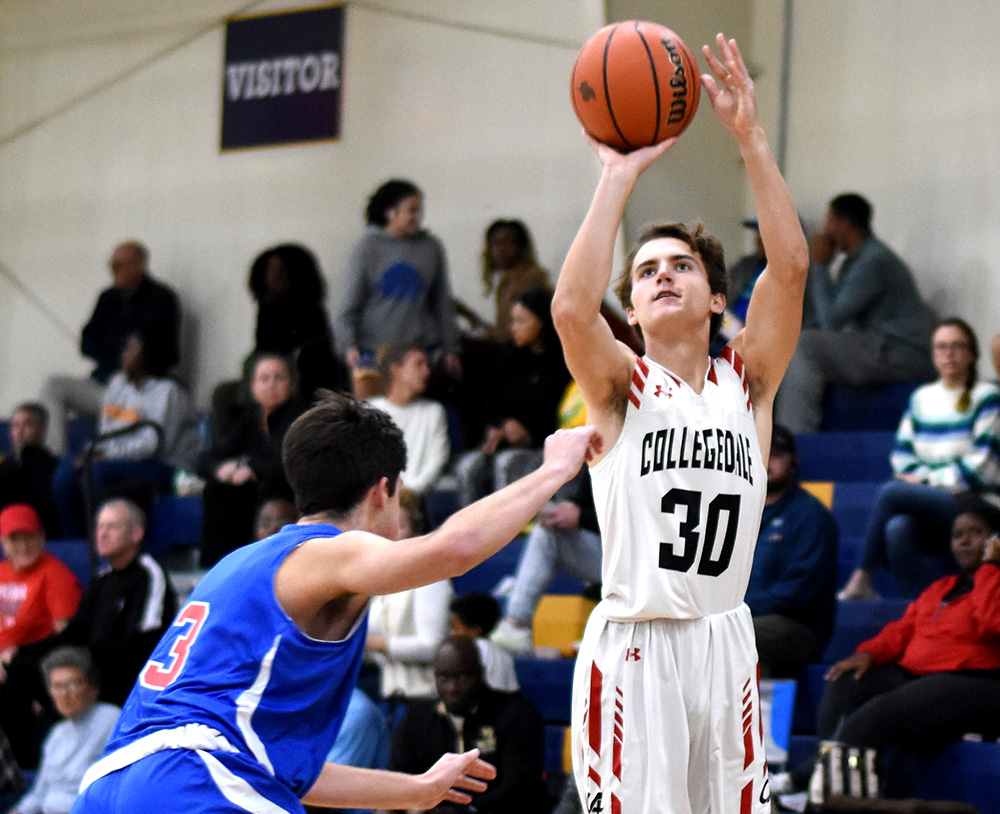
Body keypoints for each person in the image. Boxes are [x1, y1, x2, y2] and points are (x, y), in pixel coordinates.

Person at [71, 392, 597, 813]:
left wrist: (415, 790)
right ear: (381, 492)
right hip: (193, 776)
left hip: (115, 784)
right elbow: (455, 548)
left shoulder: (240, 564)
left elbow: (283, 771)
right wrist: (552, 471)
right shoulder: (326, 552)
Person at [550, 34, 808, 813]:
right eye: (647, 272)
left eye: (682, 265)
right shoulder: (619, 386)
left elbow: (791, 268)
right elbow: (571, 308)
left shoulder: (747, 381)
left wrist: (750, 140)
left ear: (717, 298)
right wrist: (617, 177)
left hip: (726, 640)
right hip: (638, 646)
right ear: (630, 309)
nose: (664, 274)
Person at [774, 501, 1000, 797]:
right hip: (920, 676)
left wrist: (991, 567)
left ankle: (803, 779)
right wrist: (869, 653)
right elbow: (902, 630)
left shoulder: (994, 581)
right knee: (846, 679)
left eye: (976, 532)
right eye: (958, 535)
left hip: (978, 681)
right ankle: (834, 780)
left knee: (878, 712)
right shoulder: (941, 587)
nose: (965, 541)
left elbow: (992, 623)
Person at [1, 498, 177, 767]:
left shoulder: (148, 574)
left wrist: (83, 657)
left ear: (136, 533)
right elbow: (71, 634)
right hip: (89, 668)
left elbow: (143, 644)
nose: (102, 534)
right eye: (99, 527)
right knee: (16, 669)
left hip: (124, 679)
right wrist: (18, 652)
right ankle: (23, 768)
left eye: (112, 527)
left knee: (44, 674)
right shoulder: (102, 578)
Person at [839, 318, 1000, 600]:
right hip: (933, 504)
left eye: (957, 346)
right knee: (897, 528)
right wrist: (929, 483)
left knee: (891, 491)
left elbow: (982, 468)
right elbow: (902, 459)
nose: (948, 354)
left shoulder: (987, 396)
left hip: (977, 502)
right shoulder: (921, 398)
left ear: (971, 354)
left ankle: (863, 575)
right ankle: (919, 606)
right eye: (941, 347)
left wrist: (926, 480)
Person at [774, 193, 935, 433]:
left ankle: (793, 440)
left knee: (805, 347)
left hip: (903, 352)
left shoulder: (874, 260)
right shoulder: (856, 262)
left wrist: (819, 264)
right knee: (793, 342)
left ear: (842, 224)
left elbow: (831, 321)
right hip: (882, 346)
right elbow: (828, 317)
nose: (824, 231)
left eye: (828, 222)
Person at [41, 240, 181, 455]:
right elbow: (87, 342)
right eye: (111, 266)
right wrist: (120, 357)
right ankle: (54, 458)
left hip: (138, 392)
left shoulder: (162, 299)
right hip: (103, 385)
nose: (112, 271)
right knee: (54, 386)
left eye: (118, 266)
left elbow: (168, 354)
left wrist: (135, 363)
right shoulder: (108, 298)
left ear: (138, 266)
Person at [52, 331, 195, 538]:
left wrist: (107, 455)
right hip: (119, 460)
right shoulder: (117, 385)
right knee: (65, 473)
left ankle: (102, 539)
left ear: (148, 354)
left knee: (96, 474)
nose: (124, 354)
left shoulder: (169, 392)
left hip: (163, 466)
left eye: (131, 349)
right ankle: (77, 543)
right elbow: (105, 433)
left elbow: (154, 445)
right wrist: (93, 453)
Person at [385, 635, 547, 814]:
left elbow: (518, 789)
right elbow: (398, 779)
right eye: (443, 678)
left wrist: (463, 811)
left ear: (480, 673)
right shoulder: (416, 719)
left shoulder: (517, 716)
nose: (452, 688)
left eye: (462, 677)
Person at [334, 179, 462, 391]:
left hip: (421, 353)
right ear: (390, 212)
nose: (417, 217)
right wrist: (348, 347)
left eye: (419, 210)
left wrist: (451, 349)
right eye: (411, 210)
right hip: (375, 355)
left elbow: (442, 302)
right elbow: (348, 307)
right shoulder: (367, 248)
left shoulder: (430, 247)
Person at [213, 244, 342, 442]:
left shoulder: (312, 312)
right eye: (269, 271)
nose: (272, 277)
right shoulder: (266, 309)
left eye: (280, 271)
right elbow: (262, 351)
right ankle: (226, 451)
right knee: (223, 393)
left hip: (302, 382)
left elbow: (315, 363)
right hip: (269, 377)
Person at [454, 289, 570, 507]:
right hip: (503, 442)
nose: (513, 327)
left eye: (521, 321)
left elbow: (560, 414)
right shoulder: (509, 358)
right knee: (468, 467)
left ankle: (508, 528)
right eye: (512, 321)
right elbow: (490, 402)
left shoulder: (561, 364)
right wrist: (501, 425)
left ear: (542, 322)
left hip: (541, 445)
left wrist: (528, 433)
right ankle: (470, 527)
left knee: (506, 464)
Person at [746, 425, 839, 678]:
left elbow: (798, 593)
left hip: (796, 626)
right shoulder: (740, 510)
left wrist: (741, 610)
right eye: (761, 454)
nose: (767, 462)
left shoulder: (811, 516)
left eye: (775, 455)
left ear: (794, 461)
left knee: (733, 636)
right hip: (743, 617)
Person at [200, 353, 307, 567]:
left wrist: (250, 468)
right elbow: (209, 458)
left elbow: (290, 462)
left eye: (279, 378)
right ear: (253, 387)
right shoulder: (249, 419)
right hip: (252, 488)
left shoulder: (300, 417)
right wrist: (222, 469)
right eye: (264, 379)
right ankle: (216, 567)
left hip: (288, 489)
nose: (271, 385)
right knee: (217, 490)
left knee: (260, 489)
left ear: (292, 385)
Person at [489, 467, 602, 656]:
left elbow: (638, 520)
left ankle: (516, 624)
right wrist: (559, 514)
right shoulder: (599, 457)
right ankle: (515, 625)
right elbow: (582, 501)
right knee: (547, 532)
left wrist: (582, 517)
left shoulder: (635, 459)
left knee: (547, 535)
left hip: (641, 561)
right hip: (608, 555)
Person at [366, 488, 454, 706]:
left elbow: (432, 646)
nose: (390, 535)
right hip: (391, 699)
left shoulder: (431, 578)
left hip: (426, 701)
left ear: (416, 531)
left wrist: (374, 644)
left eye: (401, 526)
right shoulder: (382, 582)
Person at [9, 647, 120, 814]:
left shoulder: (110, 719)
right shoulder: (57, 733)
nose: (65, 694)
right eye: (57, 687)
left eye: (72, 685)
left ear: (92, 688)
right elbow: (39, 793)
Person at [370, 347, 451, 497]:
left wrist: (410, 493)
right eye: (418, 364)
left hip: (416, 497)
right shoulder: (371, 410)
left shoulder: (433, 411)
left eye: (427, 365)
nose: (426, 372)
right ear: (396, 370)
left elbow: (437, 461)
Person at [480, 220, 551, 341]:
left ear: (521, 246)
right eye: (495, 242)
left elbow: (517, 332)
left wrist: (490, 335)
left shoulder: (531, 280)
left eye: (508, 242)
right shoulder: (504, 282)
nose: (501, 249)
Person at [0, 404, 61, 538]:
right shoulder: (7, 462)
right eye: (15, 426)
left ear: (41, 431)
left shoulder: (47, 464)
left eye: (27, 425)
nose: (20, 432)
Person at [448, 592, 518, 692]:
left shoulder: (469, 652)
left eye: (455, 629)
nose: (451, 634)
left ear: (475, 631)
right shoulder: (503, 654)